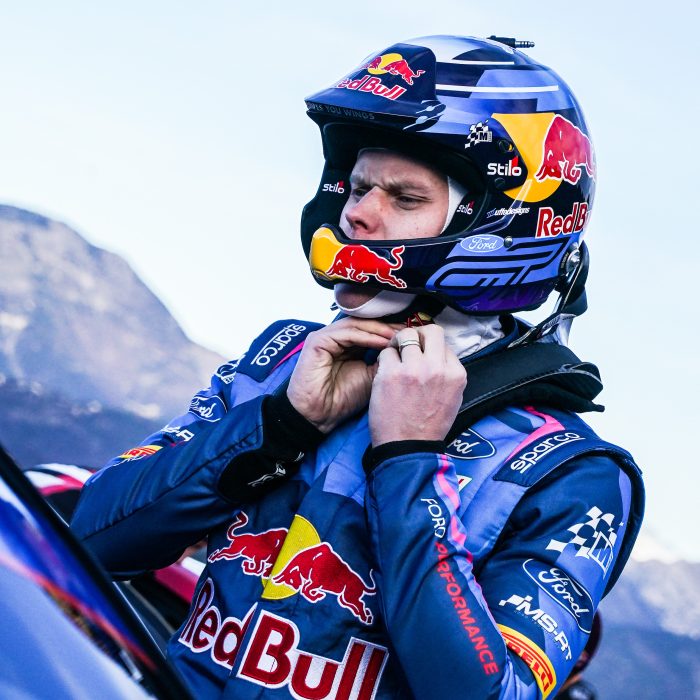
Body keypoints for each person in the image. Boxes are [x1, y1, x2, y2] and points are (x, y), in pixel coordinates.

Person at [72, 35, 644, 699]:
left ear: (503, 223)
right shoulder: (281, 362)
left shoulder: (569, 473)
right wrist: (281, 424)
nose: (356, 214)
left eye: (404, 198)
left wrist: (407, 460)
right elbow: (90, 539)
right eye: (359, 186)